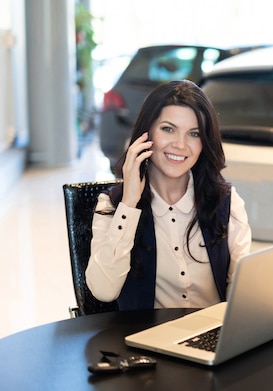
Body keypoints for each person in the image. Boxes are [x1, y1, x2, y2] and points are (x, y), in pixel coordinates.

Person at [86, 80, 251, 310]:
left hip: (213, 339)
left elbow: (241, 292)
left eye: (194, 134)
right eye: (168, 129)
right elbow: (104, 291)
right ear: (147, 133)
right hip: (143, 339)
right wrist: (129, 205)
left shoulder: (227, 202)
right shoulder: (114, 204)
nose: (180, 145)